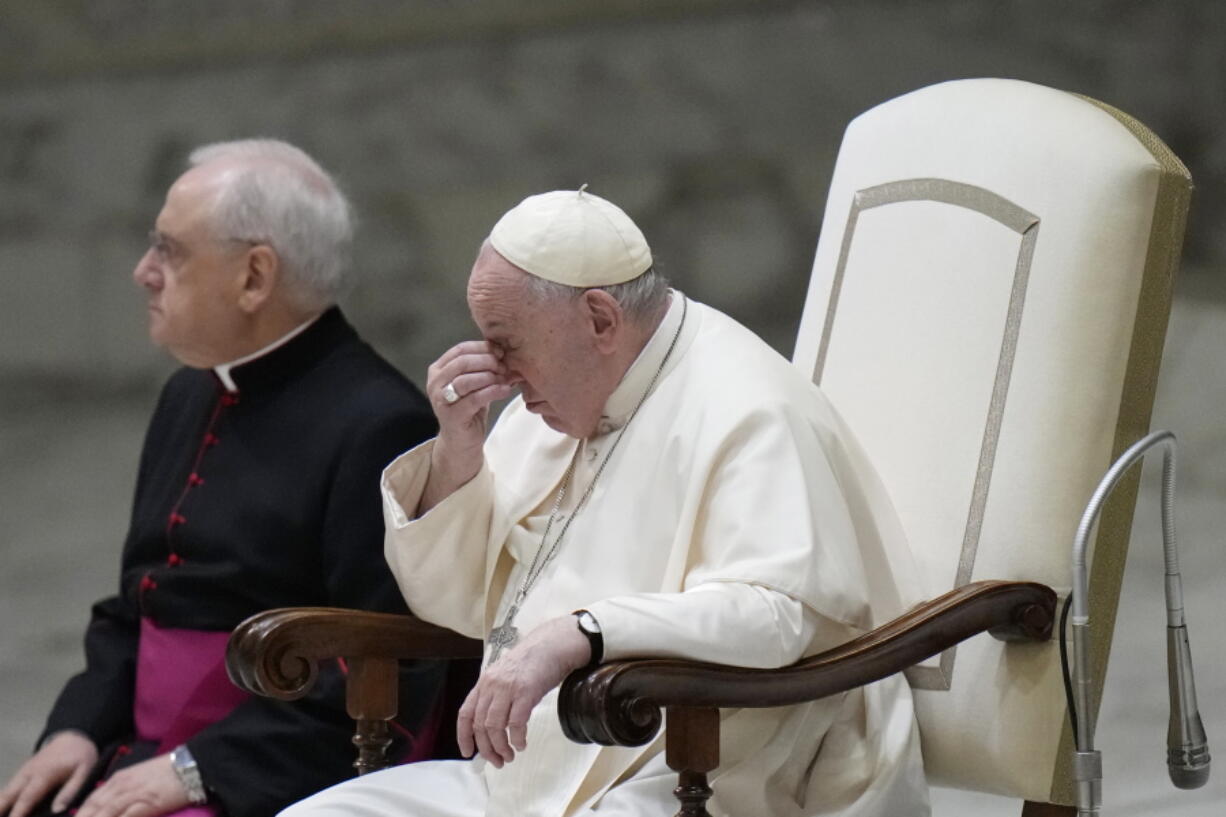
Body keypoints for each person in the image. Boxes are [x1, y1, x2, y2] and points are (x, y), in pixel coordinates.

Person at [283, 188, 929, 816]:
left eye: (506, 342)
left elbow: (781, 612)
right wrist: (457, 450)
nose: (497, 369)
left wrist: (582, 633)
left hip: (690, 771)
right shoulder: (552, 403)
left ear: (599, 319)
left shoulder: (751, 406)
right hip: (519, 778)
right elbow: (455, 600)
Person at [0, 140, 450, 817]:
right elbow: (137, 603)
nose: (142, 272)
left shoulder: (381, 424)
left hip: (272, 772)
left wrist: (196, 768)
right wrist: (76, 726)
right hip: (143, 746)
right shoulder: (189, 394)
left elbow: (387, 667)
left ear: (254, 277)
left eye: (169, 250)